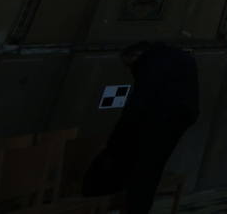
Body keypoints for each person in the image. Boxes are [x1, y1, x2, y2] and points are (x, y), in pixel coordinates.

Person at [84, 42, 199, 214]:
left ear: (136, 56)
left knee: (141, 169)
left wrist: (115, 140)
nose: (130, 71)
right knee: (151, 169)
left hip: (156, 120)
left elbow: (139, 104)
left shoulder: (150, 63)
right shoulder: (178, 57)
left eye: (129, 65)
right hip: (180, 117)